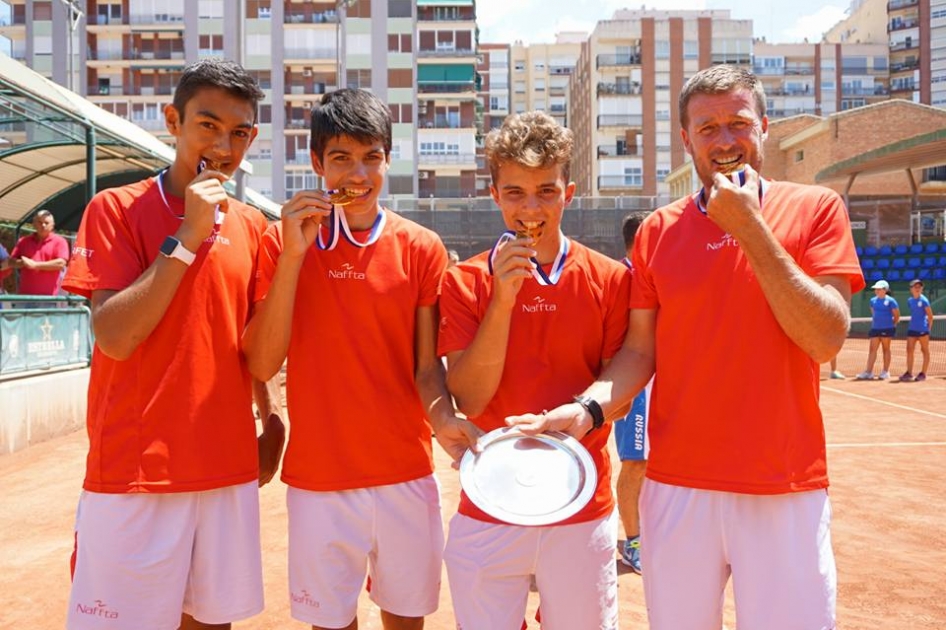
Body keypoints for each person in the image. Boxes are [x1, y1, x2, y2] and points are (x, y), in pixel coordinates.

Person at [508, 65, 864, 630]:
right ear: (686, 139)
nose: (725, 141)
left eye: (738, 123)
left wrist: (750, 228)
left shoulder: (815, 208)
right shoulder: (657, 231)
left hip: (782, 485)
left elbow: (824, 337)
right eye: (708, 128)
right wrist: (587, 409)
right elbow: (640, 353)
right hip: (676, 490)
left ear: (764, 127)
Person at [242, 88, 480, 630]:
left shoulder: (421, 246)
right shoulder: (281, 242)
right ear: (316, 163)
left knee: (406, 620)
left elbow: (426, 367)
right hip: (319, 478)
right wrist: (294, 256)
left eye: (371, 157)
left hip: (405, 473)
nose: (358, 174)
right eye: (342, 158)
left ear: (388, 159)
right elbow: (261, 361)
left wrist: (444, 420)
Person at [61, 58, 285, 630]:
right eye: (207, 125)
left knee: (213, 624)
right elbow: (114, 335)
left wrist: (269, 414)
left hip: (225, 468)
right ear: (173, 121)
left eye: (238, 132)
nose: (222, 144)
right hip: (135, 474)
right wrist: (188, 232)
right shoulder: (113, 209)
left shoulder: (255, 229)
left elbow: (246, 345)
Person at [437, 111, 630, 629]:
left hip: (580, 501)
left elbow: (621, 395)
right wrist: (503, 300)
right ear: (495, 194)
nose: (531, 208)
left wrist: (579, 410)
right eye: (516, 193)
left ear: (568, 192)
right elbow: (470, 400)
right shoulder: (464, 282)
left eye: (546, 191)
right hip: (489, 499)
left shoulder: (609, 279)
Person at [613, 211, 650, 574]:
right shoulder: (620, 279)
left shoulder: (659, 277)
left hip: (664, 383)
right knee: (635, 462)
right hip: (633, 388)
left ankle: (649, 535)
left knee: (658, 465)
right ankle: (634, 542)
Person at [4, 209, 70, 298]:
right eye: (39, 222)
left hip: (49, 299)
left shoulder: (60, 242)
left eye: (46, 223)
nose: (43, 225)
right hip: (25, 298)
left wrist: (35, 265)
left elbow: (61, 263)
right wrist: (23, 262)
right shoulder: (23, 241)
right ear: (34, 223)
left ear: (52, 225)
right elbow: (11, 262)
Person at [856, 279, 899, 380]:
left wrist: (891, 325)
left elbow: (896, 315)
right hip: (875, 328)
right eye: (876, 289)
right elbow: (874, 314)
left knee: (886, 349)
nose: (877, 291)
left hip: (887, 328)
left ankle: (885, 372)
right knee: (872, 350)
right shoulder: (872, 301)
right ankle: (868, 372)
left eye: (879, 289)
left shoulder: (891, 301)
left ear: (885, 290)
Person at [900, 278, 933, 382]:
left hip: (923, 330)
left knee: (925, 350)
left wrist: (928, 329)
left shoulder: (924, 300)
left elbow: (930, 316)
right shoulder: (910, 301)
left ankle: (923, 373)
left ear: (922, 289)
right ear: (911, 289)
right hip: (912, 329)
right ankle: (909, 373)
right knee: (909, 350)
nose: (918, 288)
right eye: (916, 287)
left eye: (919, 286)